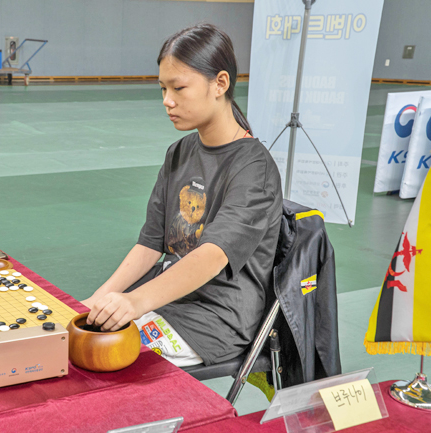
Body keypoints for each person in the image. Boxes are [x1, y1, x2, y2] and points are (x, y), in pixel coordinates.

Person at [82, 24, 283, 367]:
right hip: (169, 302)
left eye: (179, 88)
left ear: (220, 83)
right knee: (84, 334)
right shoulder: (180, 152)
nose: (167, 100)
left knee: (105, 353)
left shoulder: (254, 168)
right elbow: (149, 244)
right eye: (162, 88)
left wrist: (134, 303)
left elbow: (212, 257)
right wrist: (97, 299)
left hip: (216, 320)